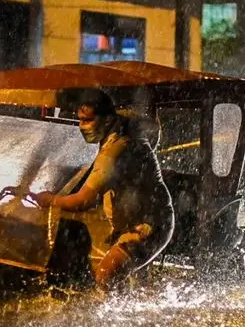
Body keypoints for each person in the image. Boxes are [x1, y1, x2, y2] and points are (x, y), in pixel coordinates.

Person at [30, 89, 174, 290]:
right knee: (127, 287)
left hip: (148, 227)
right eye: (80, 120)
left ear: (107, 120)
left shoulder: (116, 150)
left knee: (104, 279)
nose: (82, 127)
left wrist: (49, 200)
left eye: (87, 120)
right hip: (134, 222)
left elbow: (83, 201)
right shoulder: (118, 130)